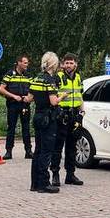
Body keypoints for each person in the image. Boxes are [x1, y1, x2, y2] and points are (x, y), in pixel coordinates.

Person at [29, 52, 62, 193]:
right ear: (53, 64)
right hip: (48, 118)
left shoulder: (36, 78)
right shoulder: (50, 80)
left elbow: (29, 98)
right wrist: (62, 96)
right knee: (46, 151)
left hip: (38, 116)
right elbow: (53, 101)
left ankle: (34, 183)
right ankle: (44, 183)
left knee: (38, 150)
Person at [51, 53, 85, 187]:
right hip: (62, 115)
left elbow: (80, 96)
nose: (69, 65)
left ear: (76, 64)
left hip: (75, 115)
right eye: (67, 63)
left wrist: (82, 112)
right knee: (58, 147)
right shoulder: (58, 77)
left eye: (71, 63)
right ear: (62, 64)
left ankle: (70, 174)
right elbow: (52, 96)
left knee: (72, 146)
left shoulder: (78, 77)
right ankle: (55, 174)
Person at [0, 54, 34, 160]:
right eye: (25, 63)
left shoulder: (28, 76)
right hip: (13, 104)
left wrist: (29, 98)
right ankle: (8, 151)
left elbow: (34, 89)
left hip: (25, 104)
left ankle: (28, 151)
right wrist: (13, 96)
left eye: (27, 63)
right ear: (19, 62)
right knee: (11, 128)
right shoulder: (10, 74)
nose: (27, 65)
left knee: (26, 128)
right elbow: (1, 89)